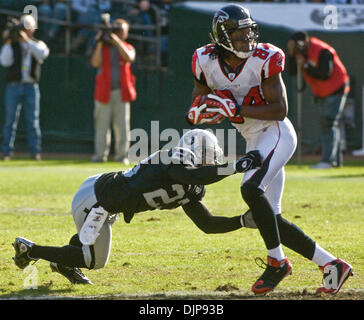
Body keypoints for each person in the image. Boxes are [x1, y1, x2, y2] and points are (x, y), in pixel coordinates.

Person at [186, 4, 353, 295]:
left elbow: (280, 110)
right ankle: (332, 265)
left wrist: (235, 108)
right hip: (253, 138)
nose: (247, 40)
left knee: (250, 190)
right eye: (240, 34)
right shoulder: (204, 61)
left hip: (275, 133)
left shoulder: (264, 57)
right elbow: (195, 107)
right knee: (270, 218)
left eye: (249, 32)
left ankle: (277, 262)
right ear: (223, 37)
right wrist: (204, 111)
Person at [12, 129, 261, 284]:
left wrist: (241, 221)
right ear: (195, 150)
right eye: (209, 157)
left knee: (91, 249)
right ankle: (31, 250)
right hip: (97, 197)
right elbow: (192, 176)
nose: (211, 163)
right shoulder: (176, 158)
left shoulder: (193, 184)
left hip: (107, 205)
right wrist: (234, 167)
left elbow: (207, 224)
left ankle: (64, 260)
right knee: (94, 262)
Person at [287, 31, 350, 169]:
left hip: (336, 89)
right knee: (331, 125)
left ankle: (328, 161)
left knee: (329, 123)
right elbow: (292, 72)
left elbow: (324, 74)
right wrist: (292, 55)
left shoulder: (322, 51)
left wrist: (306, 65)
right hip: (323, 92)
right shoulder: (299, 54)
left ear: (306, 41)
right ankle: (335, 162)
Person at [0, 14, 50, 161]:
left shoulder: (37, 44)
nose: (25, 30)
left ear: (33, 29)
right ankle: (6, 152)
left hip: (31, 86)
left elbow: (43, 54)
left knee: (32, 121)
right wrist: (8, 41)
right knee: (10, 121)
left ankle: (35, 152)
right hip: (14, 86)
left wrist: (26, 40)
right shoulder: (12, 45)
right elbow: (4, 61)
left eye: (28, 27)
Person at [90, 18, 136, 164]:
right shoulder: (102, 47)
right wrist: (99, 41)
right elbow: (95, 63)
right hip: (104, 91)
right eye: (115, 29)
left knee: (122, 127)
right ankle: (99, 155)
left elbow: (129, 58)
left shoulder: (128, 46)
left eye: (121, 30)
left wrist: (116, 41)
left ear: (126, 33)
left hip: (122, 92)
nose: (117, 32)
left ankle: (122, 156)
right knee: (101, 127)